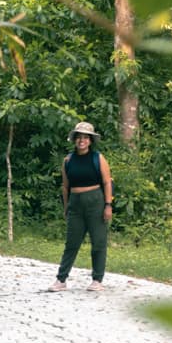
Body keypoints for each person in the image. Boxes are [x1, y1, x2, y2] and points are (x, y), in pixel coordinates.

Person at [48, 121, 113, 292]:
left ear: (90, 141)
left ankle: (97, 280)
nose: (81, 140)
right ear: (74, 139)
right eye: (79, 137)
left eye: (85, 137)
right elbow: (65, 186)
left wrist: (108, 205)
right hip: (75, 203)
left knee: (98, 242)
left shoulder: (97, 158)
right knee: (71, 243)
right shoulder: (68, 160)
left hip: (95, 201)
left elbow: (107, 182)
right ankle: (61, 279)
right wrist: (66, 207)